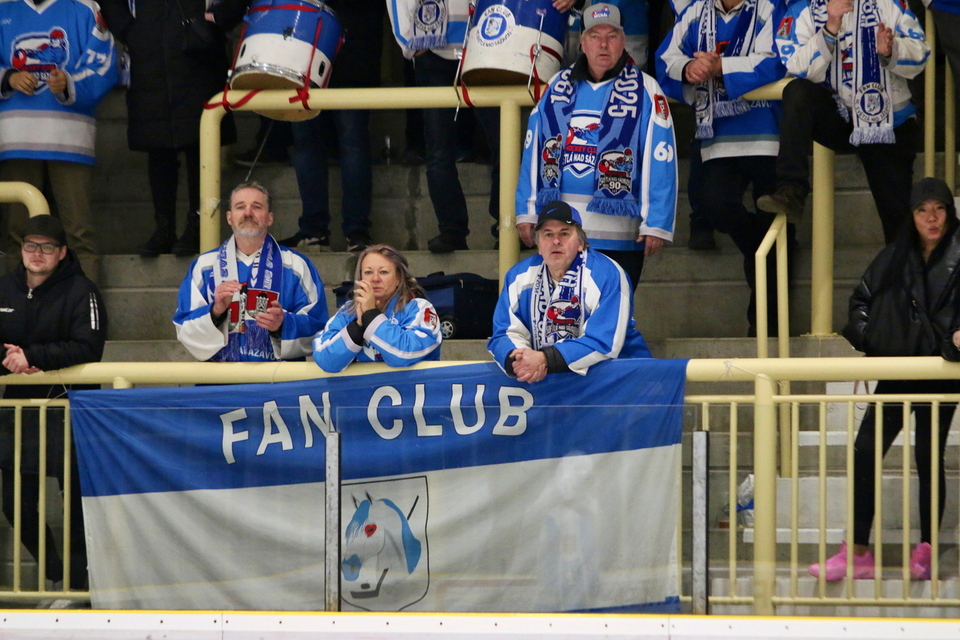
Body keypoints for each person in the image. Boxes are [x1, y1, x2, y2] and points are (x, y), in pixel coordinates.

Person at [809, 178, 960, 582]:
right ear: (912, 215)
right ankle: (857, 552)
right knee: (865, 451)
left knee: (928, 456)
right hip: (899, 368)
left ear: (949, 211)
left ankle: (926, 549)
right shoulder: (896, 254)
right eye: (922, 210)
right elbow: (860, 300)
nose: (931, 218)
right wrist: (871, 338)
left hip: (940, 371)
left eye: (939, 208)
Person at [387, 0, 575, 252]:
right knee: (439, 149)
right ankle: (451, 229)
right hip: (433, 47)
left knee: (504, 142)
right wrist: (408, 42)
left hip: (490, 40)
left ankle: (506, 227)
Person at [516, 2, 678, 290]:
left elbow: (660, 158)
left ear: (623, 41)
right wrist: (527, 211)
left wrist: (657, 222)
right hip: (561, 235)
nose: (603, 44)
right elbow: (533, 153)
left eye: (612, 36)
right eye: (594, 36)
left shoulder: (645, 88)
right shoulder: (556, 86)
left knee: (613, 312)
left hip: (619, 238)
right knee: (561, 311)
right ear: (582, 42)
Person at [656, 0, 790, 335]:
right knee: (715, 205)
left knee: (775, 228)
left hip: (771, 133)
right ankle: (756, 247)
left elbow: (779, 58)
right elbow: (664, 58)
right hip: (719, 136)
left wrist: (721, 67)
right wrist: (689, 68)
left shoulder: (771, 7)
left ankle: (766, 328)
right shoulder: (695, 11)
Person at [758, 0, 929, 243]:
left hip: (890, 124)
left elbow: (921, 54)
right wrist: (829, 29)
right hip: (838, 119)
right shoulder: (802, 9)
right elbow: (797, 66)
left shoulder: (889, 3)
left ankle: (903, 266)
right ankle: (791, 190)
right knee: (797, 91)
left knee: (898, 224)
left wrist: (892, 50)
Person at [0, 215, 107, 594]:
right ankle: (56, 576)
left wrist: (33, 356)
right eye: (31, 245)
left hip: (71, 409)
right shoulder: (5, 288)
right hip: (18, 411)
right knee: (15, 502)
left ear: (62, 252)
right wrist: (10, 358)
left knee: (76, 507)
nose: (37, 253)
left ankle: (77, 588)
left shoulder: (82, 290)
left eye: (47, 247)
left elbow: (88, 346)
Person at [99, 0, 247, 257]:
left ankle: (199, 224)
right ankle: (164, 227)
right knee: (158, 147)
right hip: (150, 57)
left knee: (200, 145)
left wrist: (217, 18)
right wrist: (129, 29)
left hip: (199, 50)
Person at [0, 0, 118, 283]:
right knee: (16, 233)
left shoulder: (85, 7)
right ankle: (16, 305)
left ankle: (86, 307)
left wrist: (70, 81)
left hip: (70, 139)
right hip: (15, 138)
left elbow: (105, 63)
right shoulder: (3, 7)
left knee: (79, 232)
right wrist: (8, 77)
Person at [488, 201, 651, 382]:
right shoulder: (518, 276)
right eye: (548, 234)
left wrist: (544, 359)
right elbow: (504, 333)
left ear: (581, 243)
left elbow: (604, 342)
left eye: (564, 233)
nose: (556, 241)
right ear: (539, 245)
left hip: (620, 381)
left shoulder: (608, 275)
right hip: (548, 378)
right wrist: (520, 361)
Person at [174, 181, 329, 362]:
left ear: (269, 218)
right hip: (220, 377)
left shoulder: (296, 265)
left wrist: (282, 325)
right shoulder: (205, 266)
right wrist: (215, 311)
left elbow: (319, 327)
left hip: (278, 377)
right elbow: (183, 326)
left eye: (256, 207)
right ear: (229, 218)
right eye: (240, 207)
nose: (248, 213)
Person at [280, 0, 384, 254]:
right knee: (309, 143)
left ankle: (355, 230)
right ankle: (315, 230)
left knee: (352, 142)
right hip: (302, 47)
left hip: (350, 45)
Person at [313, 245, 442, 372]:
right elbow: (325, 360)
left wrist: (370, 315)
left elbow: (404, 355)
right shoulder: (348, 311)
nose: (375, 279)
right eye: (368, 272)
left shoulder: (419, 308)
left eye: (383, 272)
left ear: (398, 278)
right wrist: (358, 326)